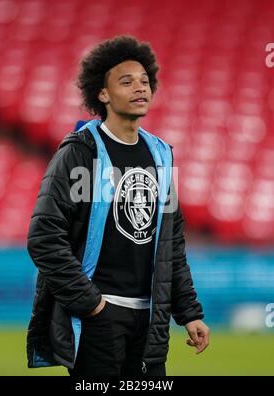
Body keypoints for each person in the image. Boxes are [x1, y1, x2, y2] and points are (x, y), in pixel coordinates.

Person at [26, 35, 209, 377]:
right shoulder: (79, 153)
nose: (140, 88)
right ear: (103, 94)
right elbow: (43, 238)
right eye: (126, 82)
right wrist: (92, 304)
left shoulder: (162, 155)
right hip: (99, 320)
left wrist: (189, 313)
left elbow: (172, 244)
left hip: (149, 322)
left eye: (144, 81)